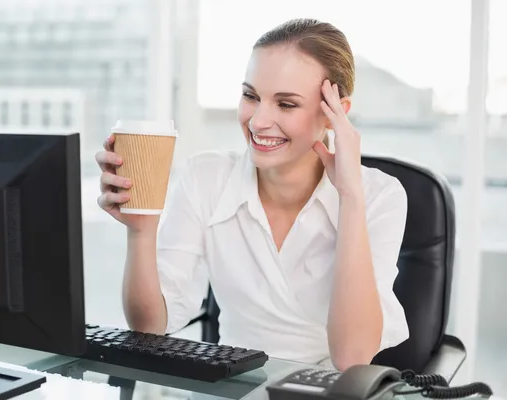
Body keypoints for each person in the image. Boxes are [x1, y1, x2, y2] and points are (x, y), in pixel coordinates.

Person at [95, 18, 409, 371]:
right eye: (251, 96)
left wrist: (350, 196)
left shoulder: (380, 196)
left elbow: (352, 358)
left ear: (334, 114)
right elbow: (149, 327)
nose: (258, 121)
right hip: (232, 389)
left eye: (286, 104)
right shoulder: (206, 178)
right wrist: (140, 230)